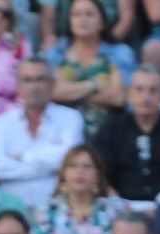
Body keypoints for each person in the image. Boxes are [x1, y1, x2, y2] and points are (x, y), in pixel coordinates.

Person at [0, 58, 83, 209]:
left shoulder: (71, 118)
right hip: (11, 209)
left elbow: (68, 161)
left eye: (40, 79)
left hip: (57, 207)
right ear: (18, 86)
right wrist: (49, 167)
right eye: (27, 80)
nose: (34, 87)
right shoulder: (3, 122)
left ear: (52, 84)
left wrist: (22, 157)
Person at [92, 67, 160, 204]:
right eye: (139, 89)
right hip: (120, 207)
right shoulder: (110, 130)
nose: (146, 97)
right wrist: (117, 203)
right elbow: (100, 172)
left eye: (153, 90)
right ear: (129, 93)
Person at [30, 144, 126, 234]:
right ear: (64, 174)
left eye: (87, 166)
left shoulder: (114, 210)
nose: (79, 172)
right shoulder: (46, 210)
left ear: (97, 174)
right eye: (73, 166)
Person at [47, 0, 129, 139]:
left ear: (102, 22)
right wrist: (94, 85)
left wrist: (72, 92)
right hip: (63, 133)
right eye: (76, 15)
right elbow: (54, 92)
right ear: (69, 21)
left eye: (89, 14)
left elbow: (119, 98)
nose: (82, 19)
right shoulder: (56, 53)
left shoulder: (119, 53)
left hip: (108, 132)